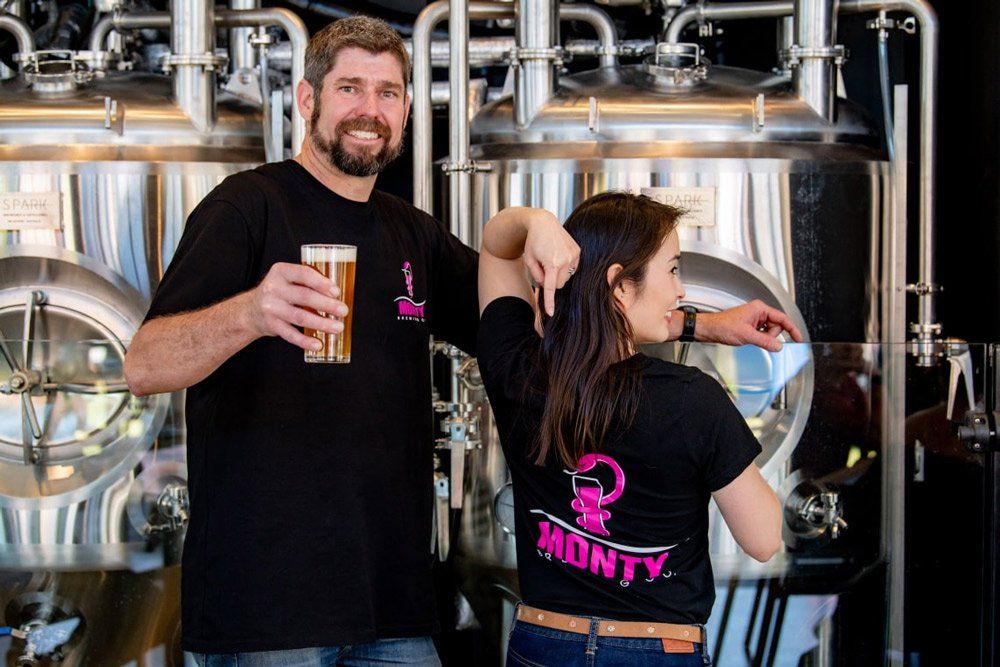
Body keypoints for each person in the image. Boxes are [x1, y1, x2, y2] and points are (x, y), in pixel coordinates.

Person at [124, 15, 800, 666]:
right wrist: (251, 312)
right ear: (307, 99)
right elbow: (144, 365)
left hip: (395, 610)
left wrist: (702, 325)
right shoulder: (246, 207)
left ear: (407, 110)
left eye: (389, 92)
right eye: (350, 88)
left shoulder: (409, 232)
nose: (370, 110)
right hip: (265, 613)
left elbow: (556, 323)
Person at [476, 193, 785, 666]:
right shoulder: (693, 399)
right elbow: (763, 540)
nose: (680, 291)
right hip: (655, 649)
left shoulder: (518, 372)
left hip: (543, 642)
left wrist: (535, 220)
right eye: (673, 270)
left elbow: (498, 249)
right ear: (620, 286)